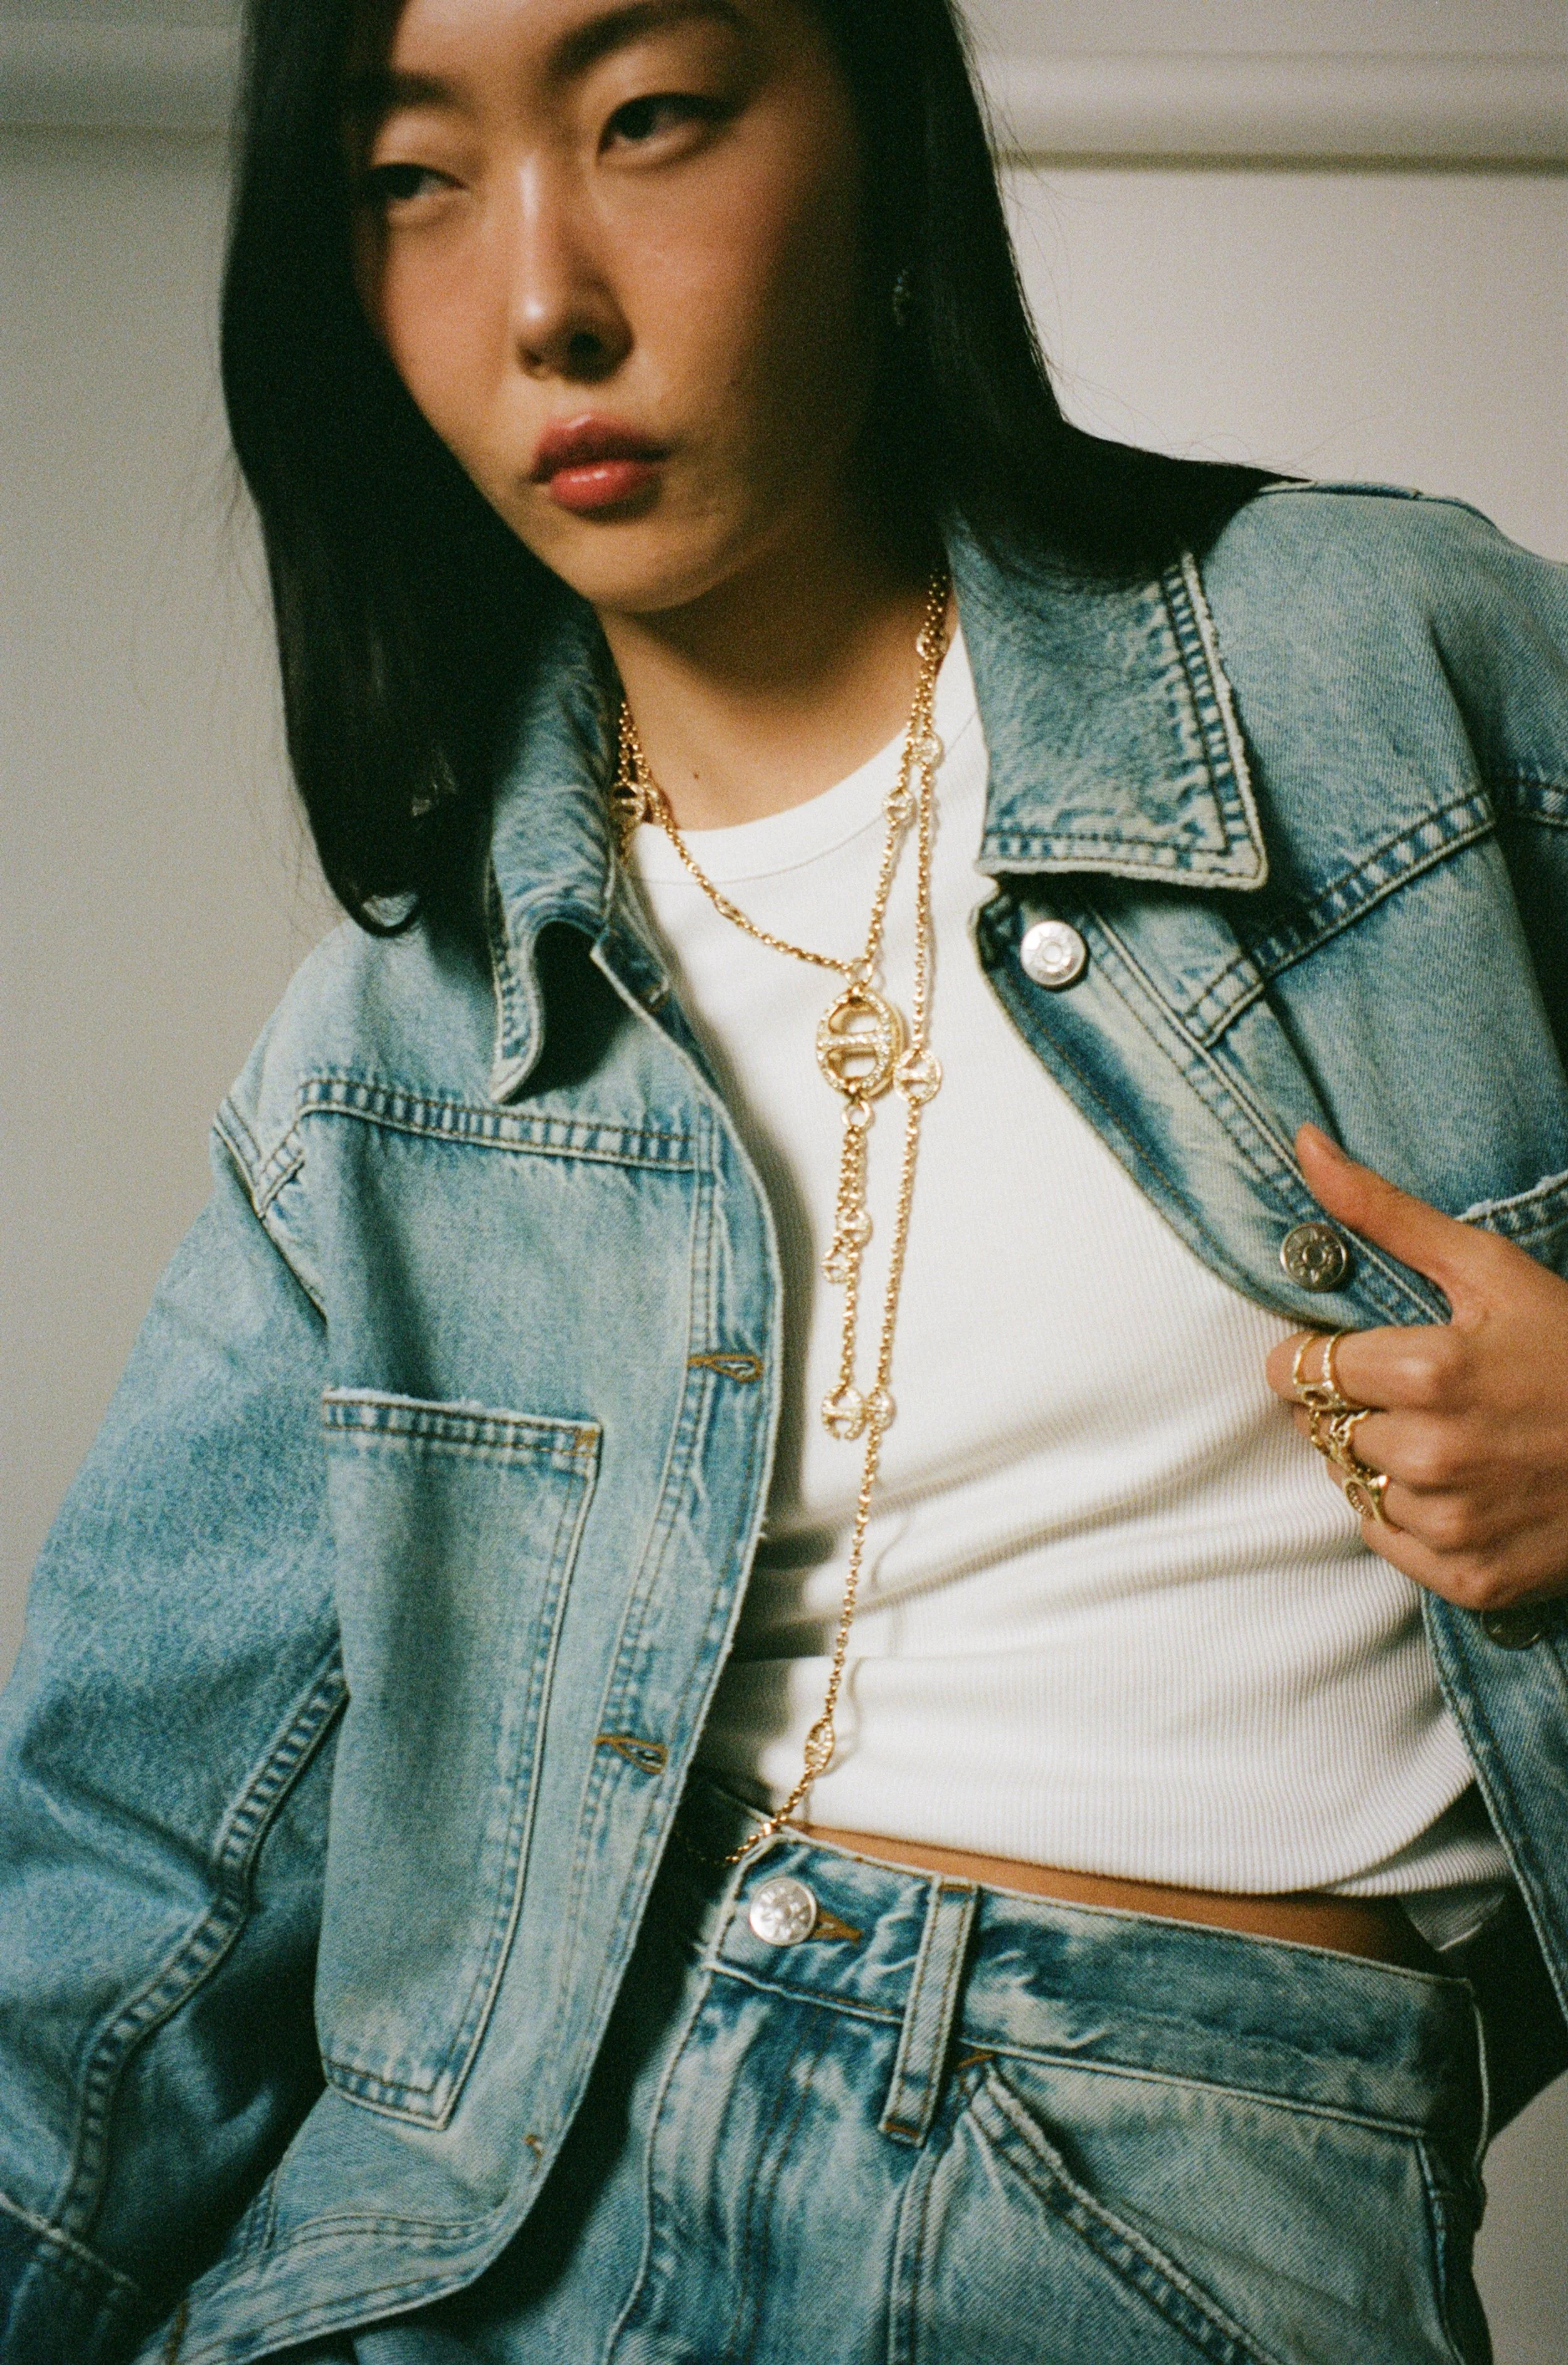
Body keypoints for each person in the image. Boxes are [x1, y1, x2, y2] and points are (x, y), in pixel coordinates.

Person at [3, 0, 1567, 2357]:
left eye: (646, 121)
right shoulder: (399, 1045)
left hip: (1145, 2201)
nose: (543, 296)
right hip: (455, 2229)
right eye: (410, 177)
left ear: (879, 140)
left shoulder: (1370, 670)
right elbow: (136, 1878)